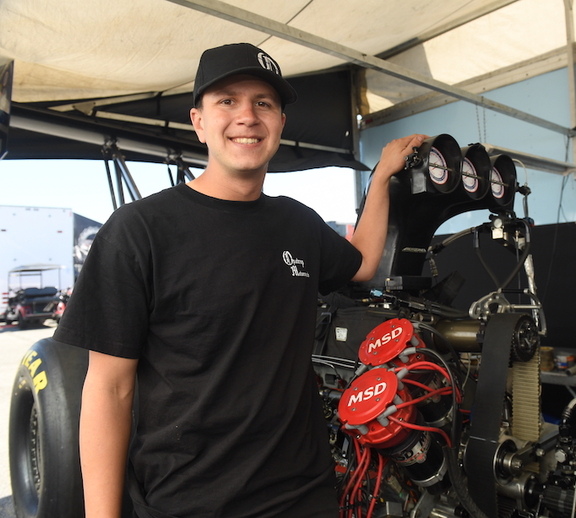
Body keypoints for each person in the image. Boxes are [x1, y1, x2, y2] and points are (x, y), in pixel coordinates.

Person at [53, 42, 427, 518]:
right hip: (188, 501)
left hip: (303, 495)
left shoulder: (298, 223)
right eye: (227, 100)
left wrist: (379, 180)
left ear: (280, 124)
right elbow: (108, 390)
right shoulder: (139, 231)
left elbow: (363, 263)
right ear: (199, 122)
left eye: (263, 103)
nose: (247, 116)